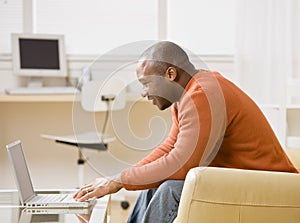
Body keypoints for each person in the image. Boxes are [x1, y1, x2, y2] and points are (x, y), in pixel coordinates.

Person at [73, 41, 298, 222]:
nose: (143, 93)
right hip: (249, 183)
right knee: (155, 185)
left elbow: (180, 165)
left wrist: (119, 181)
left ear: (170, 74)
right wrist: (117, 178)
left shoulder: (203, 95)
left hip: (276, 191)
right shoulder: (188, 93)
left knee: (171, 189)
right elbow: (170, 148)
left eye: (146, 83)